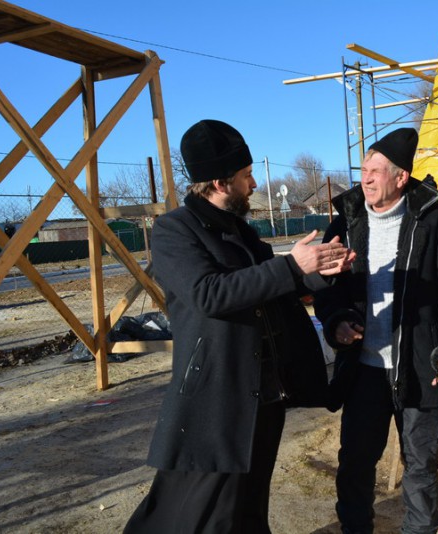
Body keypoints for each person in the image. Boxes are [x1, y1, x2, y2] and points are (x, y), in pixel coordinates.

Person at [124, 119, 354, 534]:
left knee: (250, 502)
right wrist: (291, 266)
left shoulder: (241, 230)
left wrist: (320, 272)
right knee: (198, 508)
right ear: (219, 181)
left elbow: (271, 290)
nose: (253, 184)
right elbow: (209, 294)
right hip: (217, 395)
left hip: (263, 392)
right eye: (246, 175)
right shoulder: (174, 230)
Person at [314, 128, 438, 534]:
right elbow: (325, 285)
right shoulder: (347, 221)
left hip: (419, 366)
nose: (366, 179)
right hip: (364, 370)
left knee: (421, 464)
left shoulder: (434, 217)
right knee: (355, 462)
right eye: (363, 171)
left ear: (401, 177)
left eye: (375, 171)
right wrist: (337, 321)